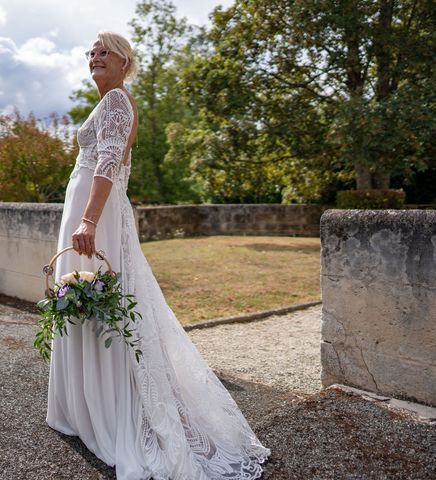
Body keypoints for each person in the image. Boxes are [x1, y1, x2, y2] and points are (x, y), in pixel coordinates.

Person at [46, 31, 270, 480]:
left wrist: (88, 221)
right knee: (88, 303)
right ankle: (87, 406)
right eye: (91, 52)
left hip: (99, 217)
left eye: (104, 51)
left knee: (101, 302)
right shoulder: (109, 102)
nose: (95, 56)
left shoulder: (117, 102)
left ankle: (108, 411)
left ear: (126, 61)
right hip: (91, 213)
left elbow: (108, 161)